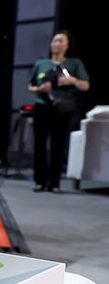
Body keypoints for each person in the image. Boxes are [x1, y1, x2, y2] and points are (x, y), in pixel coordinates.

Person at [28, 30, 90, 193]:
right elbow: (31, 86)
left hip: (63, 107)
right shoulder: (41, 64)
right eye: (55, 41)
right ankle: (40, 181)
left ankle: (54, 182)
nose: (57, 44)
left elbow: (85, 85)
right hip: (43, 106)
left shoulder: (74, 63)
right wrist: (40, 88)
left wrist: (73, 80)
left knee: (58, 144)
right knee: (40, 144)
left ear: (68, 45)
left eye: (61, 41)